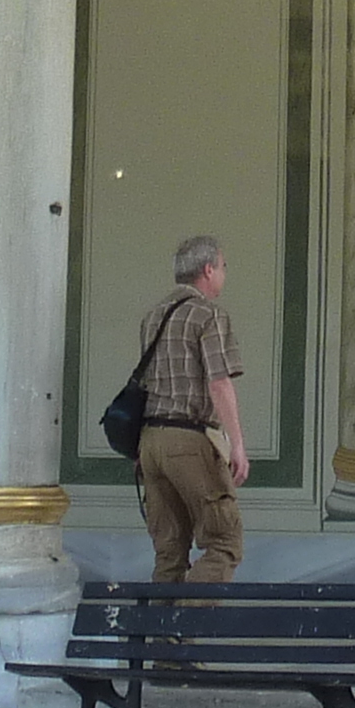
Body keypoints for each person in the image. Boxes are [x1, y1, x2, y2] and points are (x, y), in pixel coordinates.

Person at [136, 234, 249, 585]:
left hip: (151, 441)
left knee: (169, 552)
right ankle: (184, 620)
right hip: (190, 439)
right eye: (223, 267)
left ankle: (160, 637)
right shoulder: (209, 314)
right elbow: (219, 383)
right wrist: (237, 445)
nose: (224, 275)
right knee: (224, 542)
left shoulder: (153, 316)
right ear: (208, 269)